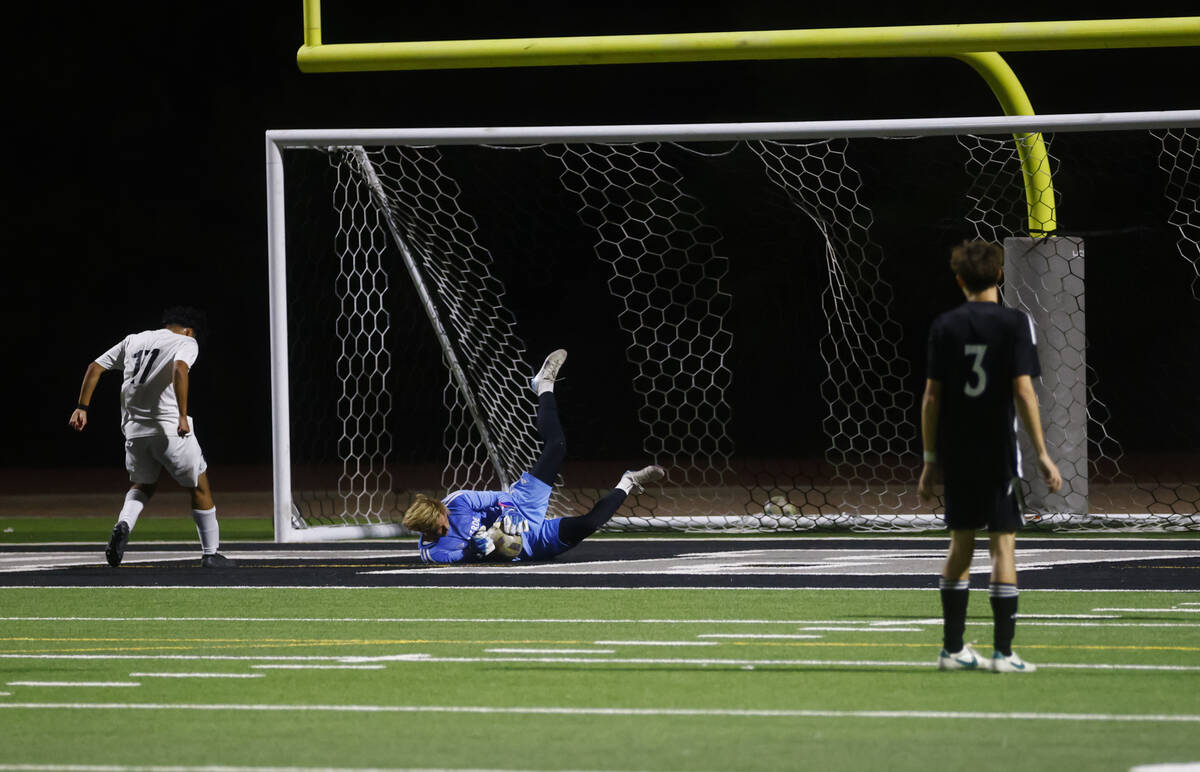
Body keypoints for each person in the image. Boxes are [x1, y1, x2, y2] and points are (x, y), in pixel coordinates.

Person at [918, 240, 1062, 673]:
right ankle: (1003, 653)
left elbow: (931, 398)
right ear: (1000, 275)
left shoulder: (944, 326)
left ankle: (952, 649)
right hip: (999, 451)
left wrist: (929, 461)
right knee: (1003, 547)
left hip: (957, 453)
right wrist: (1041, 454)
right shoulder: (1016, 323)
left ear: (959, 279)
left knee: (960, 544)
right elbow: (1022, 391)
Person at [402, 349, 665, 563]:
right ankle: (629, 482)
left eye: (441, 525)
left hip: (521, 505)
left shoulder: (458, 502)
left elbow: (500, 498)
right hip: (529, 543)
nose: (443, 531)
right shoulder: (434, 553)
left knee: (557, 446)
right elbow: (469, 560)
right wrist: (478, 549)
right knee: (589, 523)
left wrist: (509, 514)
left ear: (441, 511)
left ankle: (544, 385)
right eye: (435, 532)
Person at [68, 307, 234, 569]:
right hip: (169, 429)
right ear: (190, 330)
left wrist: (82, 408)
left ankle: (123, 523)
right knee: (199, 486)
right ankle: (211, 554)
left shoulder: (134, 339)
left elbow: (95, 367)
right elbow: (179, 369)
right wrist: (182, 416)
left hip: (135, 432)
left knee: (143, 485)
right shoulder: (187, 341)